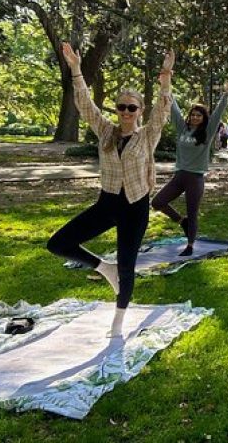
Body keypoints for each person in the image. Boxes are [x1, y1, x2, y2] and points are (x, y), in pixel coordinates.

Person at [47, 43, 174, 337]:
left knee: (127, 264)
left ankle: (118, 320)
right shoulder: (106, 131)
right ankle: (104, 267)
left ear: (140, 111)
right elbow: (85, 105)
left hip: (135, 205)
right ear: (116, 110)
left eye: (132, 107)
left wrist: (166, 77)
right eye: (122, 107)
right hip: (107, 203)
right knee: (58, 244)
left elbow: (163, 109)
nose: (126, 111)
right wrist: (76, 69)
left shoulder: (147, 135)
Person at [151, 83, 228, 256]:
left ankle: (190, 246)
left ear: (204, 118)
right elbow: (174, 109)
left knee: (192, 212)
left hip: (195, 178)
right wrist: (166, 88)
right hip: (179, 176)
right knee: (157, 202)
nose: (195, 117)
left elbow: (218, 113)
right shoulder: (182, 128)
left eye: (199, 115)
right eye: (193, 115)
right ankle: (182, 221)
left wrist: (225, 95)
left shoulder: (208, 132)